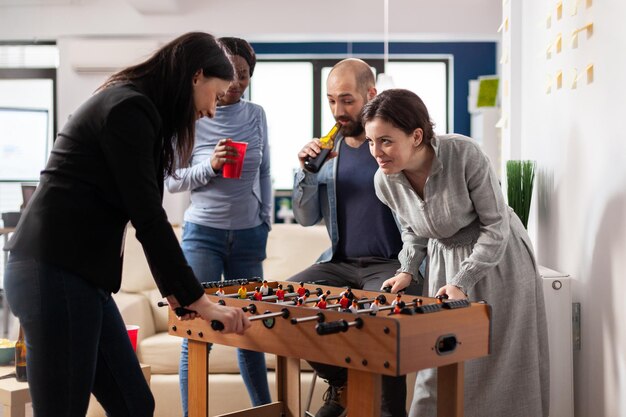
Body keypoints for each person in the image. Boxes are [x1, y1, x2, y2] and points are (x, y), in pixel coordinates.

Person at [1, 32, 250, 417]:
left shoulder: (139, 108)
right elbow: (149, 219)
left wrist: (178, 294)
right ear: (196, 76)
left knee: (135, 404)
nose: (213, 112)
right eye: (216, 97)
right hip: (51, 273)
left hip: (81, 278)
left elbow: (141, 214)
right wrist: (198, 300)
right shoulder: (128, 110)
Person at [363, 88, 550, 417]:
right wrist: (408, 269)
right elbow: (411, 229)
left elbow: (496, 226)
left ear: (416, 136)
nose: (376, 151)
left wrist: (463, 279)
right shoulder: (385, 180)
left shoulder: (464, 153)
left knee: (501, 362)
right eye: (370, 142)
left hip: (498, 260)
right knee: (437, 366)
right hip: (444, 265)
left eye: (386, 141)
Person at [288, 58, 420, 417]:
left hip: (390, 265)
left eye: (346, 100)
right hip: (340, 264)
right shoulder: (331, 152)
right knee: (285, 304)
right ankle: (341, 383)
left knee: (385, 318)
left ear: (370, 94)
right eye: (331, 100)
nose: (337, 110)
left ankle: (390, 412)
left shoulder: (394, 147)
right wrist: (305, 173)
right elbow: (305, 217)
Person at [165, 37, 272, 414]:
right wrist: (209, 166)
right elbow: (173, 180)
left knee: (251, 331)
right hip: (203, 236)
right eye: (229, 74)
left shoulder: (256, 115)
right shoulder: (193, 114)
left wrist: (265, 219)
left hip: (248, 235)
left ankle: (266, 409)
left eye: (243, 76)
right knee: (198, 334)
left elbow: (265, 172)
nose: (235, 83)